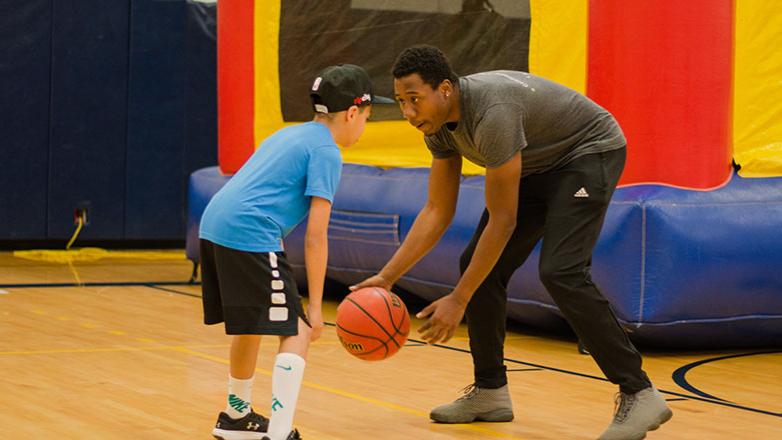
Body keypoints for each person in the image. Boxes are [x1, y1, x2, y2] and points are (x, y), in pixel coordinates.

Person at [351, 45, 673, 439]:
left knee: (561, 271)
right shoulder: (436, 129)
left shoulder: (491, 113)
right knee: (478, 265)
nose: (408, 113)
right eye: (401, 101)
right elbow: (437, 210)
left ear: (446, 90)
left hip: (587, 153)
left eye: (415, 100)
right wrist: (386, 278)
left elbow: (503, 222)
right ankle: (490, 391)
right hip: (538, 163)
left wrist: (459, 299)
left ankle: (639, 391)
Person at [199, 64, 391, 440]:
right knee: (297, 328)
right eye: (367, 117)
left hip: (214, 225)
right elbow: (316, 237)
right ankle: (279, 432)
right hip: (248, 232)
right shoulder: (326, 152)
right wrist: (316, 308)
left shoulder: (289, 134)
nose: (364, 125)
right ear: (353, 113)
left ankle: (236, 416)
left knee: (254, 325)